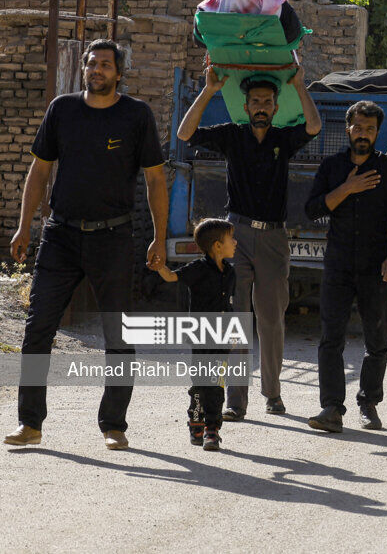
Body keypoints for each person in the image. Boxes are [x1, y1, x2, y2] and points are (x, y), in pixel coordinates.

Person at [6, 40, 167, 451]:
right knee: (39, 326)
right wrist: (24, 226)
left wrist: (159, 237)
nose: (98, 69)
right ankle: (30, 424)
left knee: (118, 333)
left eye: (106, 64)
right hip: (60, 235)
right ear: (84, 68)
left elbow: (154, 180)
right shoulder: (63, 109)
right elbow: (40, 170)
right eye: (92, 63)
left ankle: (114, 424)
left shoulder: (136, 115)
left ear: (119, 72)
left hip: (113, 237)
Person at [175, 64, 321, 420]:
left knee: (271, 320)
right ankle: (235, 403)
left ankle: (272, 394)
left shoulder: (282, 139)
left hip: (273, 236)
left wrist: (300, 85)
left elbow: (314, 126)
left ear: (274, 107)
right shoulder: (231, 134)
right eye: (255, 101)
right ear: (245, 107)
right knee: (237, 319)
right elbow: (184, 133)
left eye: (267, 102)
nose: (260, 107)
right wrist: (208, 90)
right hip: (234, 237)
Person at [304, 101, 387, 434]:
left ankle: (369, 404)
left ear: (377, 132)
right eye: (358, 127)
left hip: (376, 266)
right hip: (337, 265)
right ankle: (332, 407)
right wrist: (347, 188)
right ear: (348, 128)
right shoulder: (333, 166)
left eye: (370, 129)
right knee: (330, 338)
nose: (363, 134)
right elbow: (311, 209)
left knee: (377, 339)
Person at [151, 218, 239, 452]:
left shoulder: (230, 272)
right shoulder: (197, 269)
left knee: (216, 384)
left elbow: (228, 305)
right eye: (231, 239)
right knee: (200, 383)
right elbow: (171, 277)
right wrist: (159, 265)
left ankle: (212, 430)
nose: (236, 243)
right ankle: (196, 422)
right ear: (218, 245)